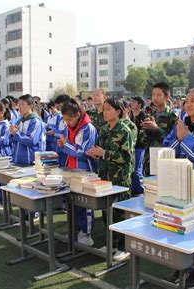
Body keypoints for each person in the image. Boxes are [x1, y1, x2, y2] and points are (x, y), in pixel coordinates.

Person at [88, 98, 134, 261]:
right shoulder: (104, 129)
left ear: (118, 111)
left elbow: (126, 158)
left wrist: (104, 153)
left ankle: (123, 247)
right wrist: (94, 152)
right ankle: (111, 244)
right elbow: (101, 150)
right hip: (105, 177)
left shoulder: (125, 130)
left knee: (120, 213)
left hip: (120, 179)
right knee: (107, 212)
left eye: (109, 109)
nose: (105, 112)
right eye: (104, 109)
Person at [57, 99, 97, 246]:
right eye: (65, 119)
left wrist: (65, 144)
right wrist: (62, 145)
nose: (67, 123)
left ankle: (86, 233)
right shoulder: (69, 127)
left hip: (86, 171)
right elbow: (70, 148)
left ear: (78, 115)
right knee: (72, 202)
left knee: (84, 204)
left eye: (70, 119)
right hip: (71, 170)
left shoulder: (88, 128)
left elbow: (82, 152)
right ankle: (74, 229)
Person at [141, 82, 178, 176]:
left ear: (166, 97)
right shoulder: (150, 115)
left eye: (158, 95)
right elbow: (143, 141)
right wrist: (145, 129)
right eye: (153, 95)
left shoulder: (173, 117)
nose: (155, 98)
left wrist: (156, 129)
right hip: (149, 160)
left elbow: (173, 142)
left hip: (165, 160)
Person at [10, 94, 46, 166]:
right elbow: (14, 141)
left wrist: (16, 133)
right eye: (18, 105)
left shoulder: (35, 121)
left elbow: (32, 141)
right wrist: (12, 134)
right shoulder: (20, 121)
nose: (19, 107)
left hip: (31, 161)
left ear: (30, 106)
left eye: (22, 104)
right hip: (18, 159)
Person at [129, 97, 148, 195]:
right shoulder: (130, 114)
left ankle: (140, 190)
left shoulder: (144, 116)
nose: (131, 103)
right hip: (131, 145)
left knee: (137, 169)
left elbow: (144, 133)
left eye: (134, 102)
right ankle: (133, 188)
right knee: (132, 168)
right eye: (131, 101)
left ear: (140, 104)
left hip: (139, 146)